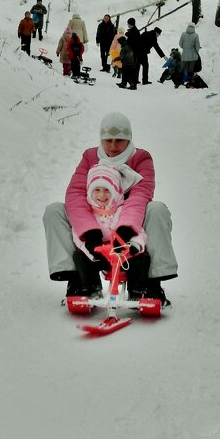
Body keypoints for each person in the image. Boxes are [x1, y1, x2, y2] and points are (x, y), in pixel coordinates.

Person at [42, 111, 178, 305]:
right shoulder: (90, 157)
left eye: (119, 140)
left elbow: (140, 196)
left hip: (130, 226)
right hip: (95, 222)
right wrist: (89, 232)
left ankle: (151, 284)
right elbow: (76, 194)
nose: (113, 146)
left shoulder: (141, 158)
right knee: (54, 210)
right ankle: (78, 281)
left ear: (129, 139)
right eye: (108, 140)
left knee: (157, 209)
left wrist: (125, 230)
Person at [71, 164, 150, 299]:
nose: (102, 195)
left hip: (123, 254)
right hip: (99, 256)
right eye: (97, 190)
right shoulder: (87, 213)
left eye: (107, 190)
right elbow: (78, 235)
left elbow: (139, 231)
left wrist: (134, 245)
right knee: (79, 256)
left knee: (142, 258)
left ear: (116, 190)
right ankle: (91, 290)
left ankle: (137, 291)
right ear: (90, 191)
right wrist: (92, 251)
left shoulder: (122, 210)